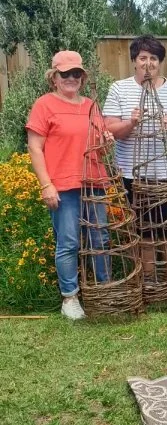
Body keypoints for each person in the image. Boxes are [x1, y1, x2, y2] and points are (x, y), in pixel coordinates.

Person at [26, 51, 110, 321]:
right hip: (63, 185)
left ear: (82, 78)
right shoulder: (44, 105)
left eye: (76, 73)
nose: (71, 78)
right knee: (69, 242)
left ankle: (104, 289)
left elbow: (100, 147)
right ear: (54, 77)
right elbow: (35, 148)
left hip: (94, 182)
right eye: (65, 74)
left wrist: (106, 141)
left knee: (100, 239)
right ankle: (70, 298)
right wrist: (46, 185)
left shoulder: (91, 106)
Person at [103, 36, 167, 278]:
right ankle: (149, 279)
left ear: (160, 62)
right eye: (142, 57)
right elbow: (110, 129)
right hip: (132, 173)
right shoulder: (119, 88)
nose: (148, 63)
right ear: (134, 61)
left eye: (153, 58)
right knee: (142, 227)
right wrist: (131, 123)